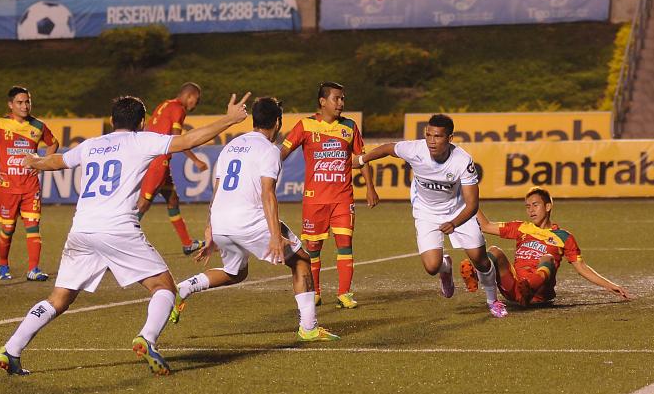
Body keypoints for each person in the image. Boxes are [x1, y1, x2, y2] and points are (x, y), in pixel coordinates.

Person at [0, 92, 251, 376]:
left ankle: (12, 348)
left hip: (81, 230)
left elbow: (58, 161)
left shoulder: (91, 145)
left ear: (112, 120)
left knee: (59, 299)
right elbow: (189, 140)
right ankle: (147, 338)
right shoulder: (142, 140)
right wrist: (230, 119)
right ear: (142, 122)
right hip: (117, 229)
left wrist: (35, 161)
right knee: (164, 288)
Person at [170, 97, 339, 342]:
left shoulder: (231, 146)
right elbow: (267, 193)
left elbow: (217, 188)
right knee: (302, 260)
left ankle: (185, 287)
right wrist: (274, 236)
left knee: (235, 272)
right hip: (249, 222)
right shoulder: (269, 150)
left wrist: (210, 229)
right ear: (278, 122)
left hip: (221, 222)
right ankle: (309, 327)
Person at [353, 113, 508, 318]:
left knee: (480, 260)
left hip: (458, 212)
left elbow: (472, 204)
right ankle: (446, 267)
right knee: (432, 267)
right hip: (426, 213)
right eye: (428, 135)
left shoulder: (462, 160)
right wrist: (362, 159)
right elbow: (389, 148)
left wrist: (454, 222)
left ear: (450, 138)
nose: (431, 141)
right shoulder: (415, 149)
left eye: (437, 136)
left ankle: (493, 301)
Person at [280, 82, 379, 309]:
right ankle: (315, 292)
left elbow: (360, 158)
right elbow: (283, 152)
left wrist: (370, 187)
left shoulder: (350, 127)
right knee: (313, 248)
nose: (341, 103)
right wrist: (267, 172)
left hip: (343, 197)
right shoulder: (305, 125)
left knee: (345, 244)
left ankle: (344, 294)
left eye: (343, 98)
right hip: (315, 199)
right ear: (322, 101)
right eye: (337, 98)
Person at [475, 186, 630, 307]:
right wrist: (468, 200)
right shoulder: (522, 227)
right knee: (494, 251)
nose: (531, 210)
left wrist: (610, 285)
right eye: (527, 206)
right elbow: (486, 226)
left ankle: (529, 288)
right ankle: (476, 275)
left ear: (548, 207)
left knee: (547, 258)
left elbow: (581, 267)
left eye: (535, 205)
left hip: (539, 294)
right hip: (515, 288)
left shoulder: (564, 237)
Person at [0, 86, 59, 282]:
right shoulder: (0, 124)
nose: (25, 105)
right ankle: (3, 264)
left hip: (30, 187)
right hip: (8, 188)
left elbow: (53, 143)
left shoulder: (38, 126)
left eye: (27, 101)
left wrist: (43, 162)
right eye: (20, 102)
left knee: (33, 226)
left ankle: (33, 269)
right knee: (8, 229)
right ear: (10, 105)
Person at [137, 82, 209, 255]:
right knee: (143, 205)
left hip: (154, 157)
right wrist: (196, 160)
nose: (195, 104)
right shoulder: (179, 109)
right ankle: (117, 244)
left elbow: (148, 128)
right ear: (189, 96)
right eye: (196, 100)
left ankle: (187, 244)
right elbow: (178, 139)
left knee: (172, 199)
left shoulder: (165, 104)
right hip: (158, 161)